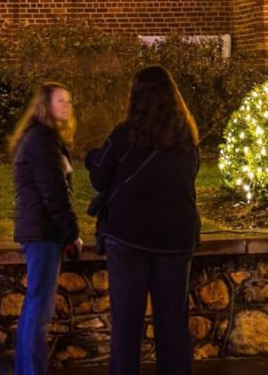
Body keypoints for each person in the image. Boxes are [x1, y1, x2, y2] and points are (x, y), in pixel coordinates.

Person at [87, 65, 202, 375]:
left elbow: (99, 178)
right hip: (176, 239)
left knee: (127, 324)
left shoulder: (123, 137)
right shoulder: (186, 141)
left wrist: (91, 157)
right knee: (173, 324)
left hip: (128, 238)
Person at [11, 82, 82, 375]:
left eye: (68, 101)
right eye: (60, 101)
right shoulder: (41, 140)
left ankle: (26, 369)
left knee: (35, 307)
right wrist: (71, 232)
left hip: (40, 231)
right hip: (42, 233)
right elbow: (53, 192)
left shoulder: (43, 138)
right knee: (39, 309)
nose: (67, 105)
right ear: (45, 105)